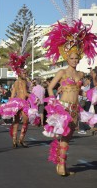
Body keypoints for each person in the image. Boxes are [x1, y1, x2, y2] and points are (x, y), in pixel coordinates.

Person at [42, 13, 97, 175]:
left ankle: (60, 164)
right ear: (67, 58)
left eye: (76, 58)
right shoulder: (62, 72)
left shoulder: (80, 75)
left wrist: (84, 93)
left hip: (75, 109)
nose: (74, 60)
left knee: (67, 137)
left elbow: (79, 91)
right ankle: (62, 166)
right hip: (62, 108)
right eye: (71, 58)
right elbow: (50, 87)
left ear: (78, 58)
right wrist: (53, 103)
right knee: (64, 137)